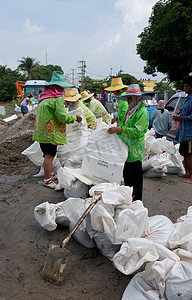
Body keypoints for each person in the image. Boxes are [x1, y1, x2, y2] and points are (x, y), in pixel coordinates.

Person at [33, 71, 82, 189]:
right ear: (59, 87)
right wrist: (75, 117)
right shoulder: (56, 99)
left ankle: (49, 174)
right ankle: (47, 180)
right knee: (49, 156)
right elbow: (62, 117)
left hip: (41, 132)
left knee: (47, 155)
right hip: (50, 132)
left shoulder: (44, 98)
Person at [108, 84, 149, 200]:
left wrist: (120, 129)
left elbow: (137, 131)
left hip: (135, 150)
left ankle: (136, 201)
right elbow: (125, 125)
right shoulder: (131, 111)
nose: (128, 100)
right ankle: (129, 197)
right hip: (126, 149)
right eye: (128, 98)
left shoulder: (142, 112)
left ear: (137, 98)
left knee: (135, 177)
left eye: (131, 98)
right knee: (127, 175)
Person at [173, 75, 192, 184]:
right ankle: (187, 173)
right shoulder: (187, 98)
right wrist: (180, 114)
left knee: (189, 155)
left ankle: (191, 177)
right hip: (184, 132)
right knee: (184, 153)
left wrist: (179, 117)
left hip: (189, 133)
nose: (185, 88)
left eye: (187, 86)